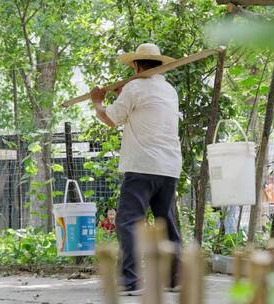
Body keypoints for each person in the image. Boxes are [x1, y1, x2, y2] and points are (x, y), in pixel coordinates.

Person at [90, 43, 182, 296]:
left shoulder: (134, 87)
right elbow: (140, 108)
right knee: (166, 221)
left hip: (142, 165)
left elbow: (110, 118)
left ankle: (130, 281)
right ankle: (175, 279)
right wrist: (122, 94)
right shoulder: (168, 89)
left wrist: (98, 101)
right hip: (169, 166)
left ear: (136, 65)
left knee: (128, 221)